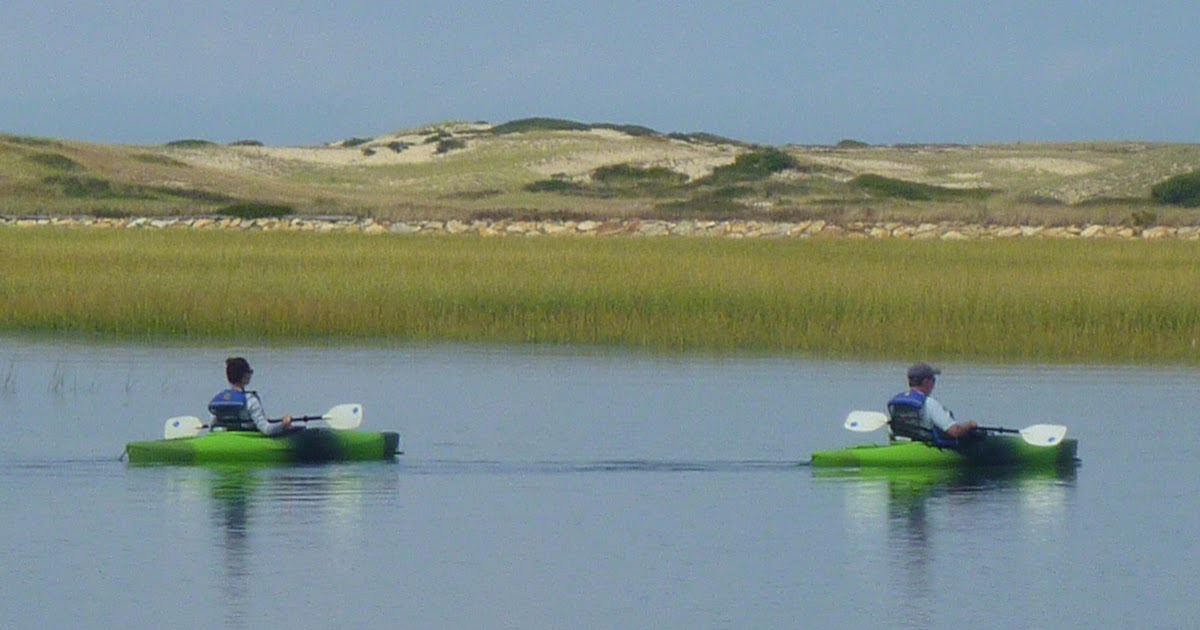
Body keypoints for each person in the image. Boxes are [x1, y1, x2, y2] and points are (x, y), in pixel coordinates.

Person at [887, 363, 977, 445]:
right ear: (926, 382)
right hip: (923, 447)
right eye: (933, 380)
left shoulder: (897, 401)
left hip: (900, 443)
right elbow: (955, 431)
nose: (934, 384)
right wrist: (969, 425)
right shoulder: (929, 403)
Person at [207, 357, 296, 436]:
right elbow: (266, 430)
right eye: (249, 372)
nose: (250, 375)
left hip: (222, 438)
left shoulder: (220, 400)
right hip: (245, 439)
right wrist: (283, 424)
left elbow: (211, 429)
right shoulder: (250, 400)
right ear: (244, 375)